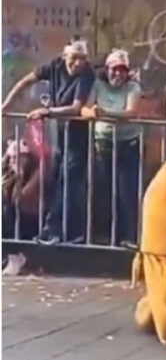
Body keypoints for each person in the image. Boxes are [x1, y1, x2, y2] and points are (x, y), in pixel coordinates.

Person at [1, 40, 96, 244]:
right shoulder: (54, 67)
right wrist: (6, 104)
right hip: (61, 134)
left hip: (78, 137)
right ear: (64, 57)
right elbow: (25, 81)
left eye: (82, 59)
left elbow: (76, 107)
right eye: (74, 58)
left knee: (69, 184)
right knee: (60, 181)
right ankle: (68, 232)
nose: (78, 63)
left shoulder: (86, 74)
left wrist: (47, 111)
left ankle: (54, 231)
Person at [82, 50, 141, 247]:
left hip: (127, 144)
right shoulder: (98, 85)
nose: (118, 74)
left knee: (127, 191)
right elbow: (85, 108)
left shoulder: (133, 87)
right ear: (107, 70)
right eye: (114, 70)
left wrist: (104, 112)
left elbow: (130, 112)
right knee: (104, 190)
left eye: (123, 70)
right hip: (103, 144)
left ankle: (128, 236)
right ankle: (106, 236)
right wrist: (91, 112)